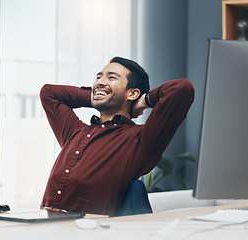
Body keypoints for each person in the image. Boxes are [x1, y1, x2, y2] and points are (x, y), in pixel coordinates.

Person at [39, 56, 194, 216]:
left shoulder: (141, 140)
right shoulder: (75, 132)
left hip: (90, 230)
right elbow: (48, 93)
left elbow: (182, 89)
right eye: (98, 77)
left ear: (133, 93)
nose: (99, 82)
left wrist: (145, 101)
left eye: (111, 77)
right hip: (47, 224)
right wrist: (96, 95)